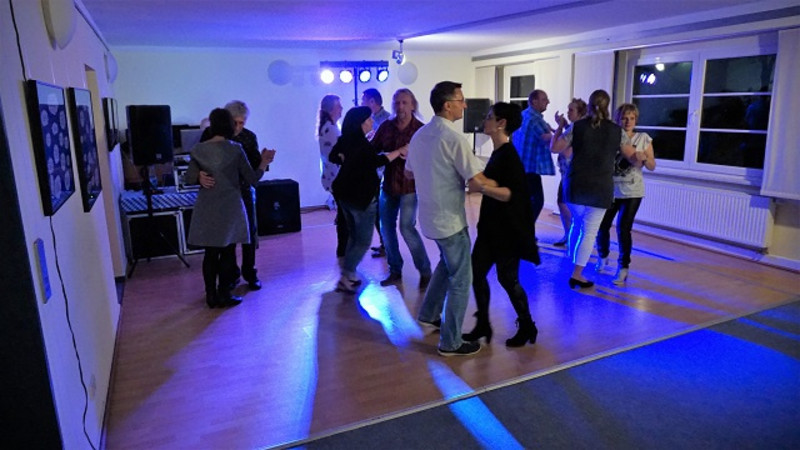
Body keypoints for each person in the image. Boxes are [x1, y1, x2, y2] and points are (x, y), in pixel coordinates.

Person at [406, 81, 491, 357]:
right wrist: (507, 188)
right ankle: (451, 342)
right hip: (450, 220)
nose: (465, 105)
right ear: (447, 105)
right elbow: (476, 180)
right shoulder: (454, 138)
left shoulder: (420, 135)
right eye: (460, 100)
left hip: (430, 216)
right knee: (461, 280)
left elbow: (408, 172)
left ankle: (429, 315)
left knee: (446, 264)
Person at [463, 102, 540, 348]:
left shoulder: (509, 156)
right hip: (490, 228)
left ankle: (527, 325)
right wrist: (484, 182)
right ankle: (483, 323)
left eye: (489, 117)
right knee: (476, 274)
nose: (484, 120)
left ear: (501, 123)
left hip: (506, 231)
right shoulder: (498, 153)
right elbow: (494, 183)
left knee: (508, 279)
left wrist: (483, 188)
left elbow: (510, 194)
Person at [186, 108, 274, 308]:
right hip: (230, 207)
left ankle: (210, 296)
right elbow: (252, 179)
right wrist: (264, 162)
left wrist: (199, 176)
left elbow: (189, 178)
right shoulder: (235, 149)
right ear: (229, 125)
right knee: (227, 252)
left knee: (210, 254)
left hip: (207, 206)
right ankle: (224, 294)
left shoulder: (198, 149)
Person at [551, 89, 624, 289]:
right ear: (608, 105)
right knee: (589, 231)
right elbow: (629, 153)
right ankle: (577, 274)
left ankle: (572, 260)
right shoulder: (616, 131)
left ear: (589, 105)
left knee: (578, 223)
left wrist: (559, 128)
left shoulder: (577, 127)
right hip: (600, 188)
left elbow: (555, 147)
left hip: (575, 185)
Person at [329, 106, 406, 293]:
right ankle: (346, 276)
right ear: (361, 123)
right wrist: (399, 151)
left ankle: (350, 274)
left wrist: (344, 158)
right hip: (361, 197)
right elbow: (377, 161)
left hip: (344, 195)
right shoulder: (362, 145)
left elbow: (333, 155)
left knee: (354, 236)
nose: (372, 121)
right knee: (363, 241)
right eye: (369, 119)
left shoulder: (346, 139)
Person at [372, 89, 431, 288]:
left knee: (407, 228)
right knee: (386, 228)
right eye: (397, 102)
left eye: (405, 102)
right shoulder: (386, 127)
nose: (400, 107)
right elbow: (373, 151)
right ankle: (395, 269)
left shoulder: (421, 130)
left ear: (413, 105)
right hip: (389, 185)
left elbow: (430, 158)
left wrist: (413, 156)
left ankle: (425, 271)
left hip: (410, 187)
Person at [595, 103, 656, 285]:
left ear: (636, 120)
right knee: (602, 225)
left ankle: (623, 268)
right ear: (618, 119)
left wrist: (644, 157)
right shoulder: (612, 137)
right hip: (611, 189)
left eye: (632, 118)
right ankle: (603, 256)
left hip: (632, 192)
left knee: (623, 228)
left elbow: (652, 166)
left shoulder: (643, 138)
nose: (628, 121)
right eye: (624, 118)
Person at [511, 89, 556, 239]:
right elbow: (549, 140)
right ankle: (525, 233)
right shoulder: (535, 120)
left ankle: (522, 231)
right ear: (534, 101)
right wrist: (564, 129)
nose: (548, 102)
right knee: (537, 201)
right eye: (544, 99)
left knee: (525, 202)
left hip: (520, 166)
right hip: (529, 168)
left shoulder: (524, 115)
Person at [552, 98, 587, 247]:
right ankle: (569, 234)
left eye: (571, 110)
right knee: (562, 203)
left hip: (573, 175)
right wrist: (562, 126)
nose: (568, 112)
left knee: (570, 206)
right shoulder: (575, 127)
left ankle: (574, 236)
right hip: (568, 174)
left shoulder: (577, 128)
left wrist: (559, 128)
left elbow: (558, 148)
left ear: (580, 112)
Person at [361, 88, 390, 257]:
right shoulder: (370, 120)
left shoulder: (386, 120)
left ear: (372, 102)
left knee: (380, 211)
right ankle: (384, 243)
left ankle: (386, 246)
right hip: (374, 171)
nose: (361, 103)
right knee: (376, 211)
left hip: (383, 171)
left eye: (364, 100)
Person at [317, 94, 347, 258]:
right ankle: (343, 248)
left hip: (332, 177)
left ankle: (343, 248)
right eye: (338, 106)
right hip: (337, 178)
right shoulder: (332, 130)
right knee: (344, 216)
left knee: (342, 214)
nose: (341, 109)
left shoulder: (327, 128)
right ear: (331, 109)